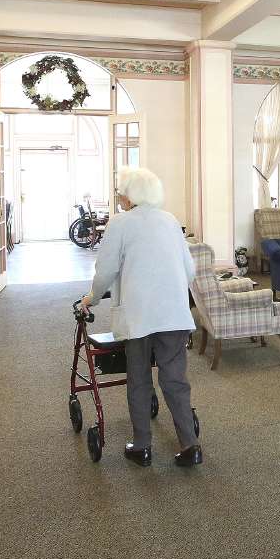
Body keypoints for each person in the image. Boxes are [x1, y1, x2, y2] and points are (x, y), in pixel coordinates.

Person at [81, 167, 202, 468]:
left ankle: (142, 446)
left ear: (130, 195)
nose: (119, 196)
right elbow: (190, 270)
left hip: (139, 317)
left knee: (138, 379)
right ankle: (190, 445)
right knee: (175, 380)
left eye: (121, 191)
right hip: (174, 314)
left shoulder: (120, 224)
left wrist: (91, 299)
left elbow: (105, 271)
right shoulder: (170, 221)